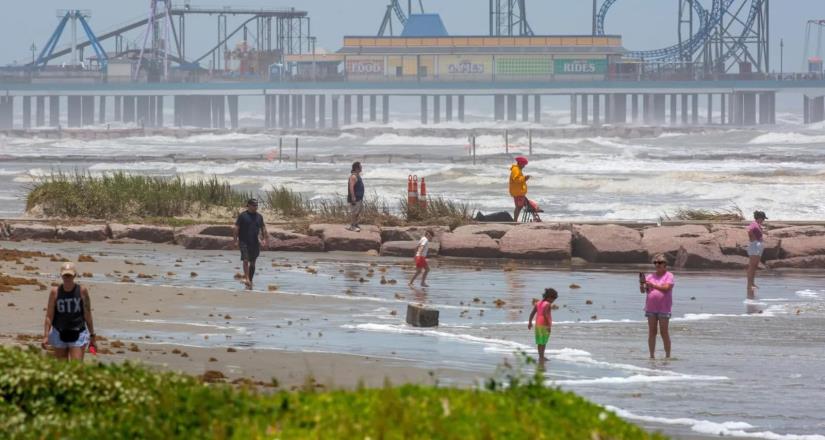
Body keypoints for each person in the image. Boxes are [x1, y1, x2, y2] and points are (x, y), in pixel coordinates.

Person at [41, 262, 96, 361]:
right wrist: (45, 336)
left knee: (76, 367)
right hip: (59, 332)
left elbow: (88, 314)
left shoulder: (82, 291)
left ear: (74, 275)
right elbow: (49, 316)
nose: (67, 277)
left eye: (69, 275)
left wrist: (92, 335)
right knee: (62, 367)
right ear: (61, 275)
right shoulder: (55, 292)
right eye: (65, 275)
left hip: (78, 332)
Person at [640, 254, 675, 359]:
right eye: (655, 263)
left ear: (665, 264)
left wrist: (653, 285)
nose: (657, 265)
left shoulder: (669, 275)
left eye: (660, 262)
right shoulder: (650, 276)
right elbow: (643, 291)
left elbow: (666, 288)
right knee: (652, 332)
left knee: (664, 332)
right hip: (651, 308)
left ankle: (668, 356)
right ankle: (651, 356)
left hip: (664, 308)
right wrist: (642, 284)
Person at [233, 198, 269, 289]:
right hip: (243, 241)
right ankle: (247, 278)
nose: (255, 207)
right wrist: (235, 240)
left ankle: (250, 280)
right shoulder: (242, 216)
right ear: (248, 205)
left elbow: (263, 228)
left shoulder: (259, 217)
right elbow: (236, 228)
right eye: (253, 205)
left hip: (255, 242)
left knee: (252, 262)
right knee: (245, 260)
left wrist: (264, 239)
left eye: (256, 205)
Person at [528, 288, 558, 366]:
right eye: (553, 299)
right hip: (544, 324)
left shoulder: (538, 303)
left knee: (539, 341)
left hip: (538, 324)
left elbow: (532, 313)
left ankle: (541, 356)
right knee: (543, 342)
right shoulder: (548, 304)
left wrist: (530, 322)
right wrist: (548, 326)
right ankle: (541, 357)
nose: (553, 301)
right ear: (549, 297)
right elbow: (545, 315)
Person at [746, 210, 767, 299]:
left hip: (757, 245)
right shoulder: (754, 224)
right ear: (759, 218)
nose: (763, 221)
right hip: (755, 245)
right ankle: (749, 284)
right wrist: (753, 239)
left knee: (754, 266)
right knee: (752, 266)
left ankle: (752, 283)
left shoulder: (757, 225)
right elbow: (749, 230)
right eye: (763, 219)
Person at [509, 156, 530, 221]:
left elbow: (518, 181)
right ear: (520, 163)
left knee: (519, 206)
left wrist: (524, 179)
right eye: (523, 164)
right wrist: (524, 178)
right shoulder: (516, 170)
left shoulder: (517, 169)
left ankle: (515, 220)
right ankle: (515, 220)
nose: (524, 166)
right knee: (519, 207)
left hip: (517, 191)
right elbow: (516, 180)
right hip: (518, 192)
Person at [347, 162, 364, 232]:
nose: (361, 168)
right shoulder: (353, 176)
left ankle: (355, 224)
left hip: (359, 198)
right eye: (360, 167)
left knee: (357, 212)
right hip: (355, 198)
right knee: (354, 212)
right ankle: (352, 226)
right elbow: (351, 187)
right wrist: (353, 197)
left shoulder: (357, 175)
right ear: (357, 168)